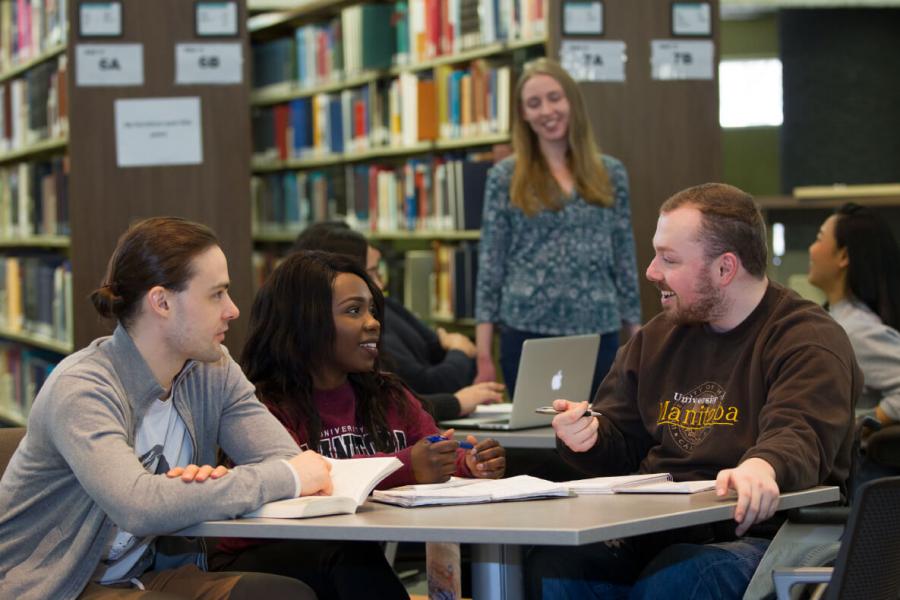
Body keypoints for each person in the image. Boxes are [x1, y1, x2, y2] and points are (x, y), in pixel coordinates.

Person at [525, 183, 860, 599]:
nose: (651, 272)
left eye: (669, 258)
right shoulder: (658, 338)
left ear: (725, 269)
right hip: (657, 527)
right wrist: (588, 437)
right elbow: (620, 438)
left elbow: (800, 431)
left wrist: (763, 465)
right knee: (556, 565)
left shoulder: (806, 338)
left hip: (763, 535)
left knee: (680, 575)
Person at [0, 217, 332, 600]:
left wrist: (199, 489)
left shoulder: (213, 370)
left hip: (144, 577)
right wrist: (252, 481)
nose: (233, 309)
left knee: (287, 595)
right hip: (54, 587)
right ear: (161, 302)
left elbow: (280, 458)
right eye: (217, 294)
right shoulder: (82, 387)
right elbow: (139, 506)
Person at [210, 250, 506, 599]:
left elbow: (429, 451)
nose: (373, 323)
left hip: (346, 552)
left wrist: (465, 463)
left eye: (372, 310)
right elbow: (297, 483)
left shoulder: (387, 394)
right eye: (354, 311)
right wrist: (407, 466)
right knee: (351, 558)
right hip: (261, 554)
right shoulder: (262, 405)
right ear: (306, 322)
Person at [474, 57, 641, 398]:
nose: (546, 111)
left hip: (599, 332)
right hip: (526, 332)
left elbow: (625, 260)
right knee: (537, 443)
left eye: (554, 98)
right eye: (534, 103)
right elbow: (490, 267)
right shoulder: (504, 177)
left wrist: (638, 339)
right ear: (523, 114)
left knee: (601, 437)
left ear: (572, 102)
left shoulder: (611, 173)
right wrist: (482, 357)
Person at [293, 221, 504, 420]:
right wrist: (456, 390)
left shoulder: (387, 308)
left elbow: (433, 353)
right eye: (373, 272)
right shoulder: (358, 347)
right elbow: (417, 390)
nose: (380, 283)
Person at [807, 202, 900, 426]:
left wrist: (859, 426)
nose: (811, 249)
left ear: (843, 256)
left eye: (819, 238)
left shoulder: (856, 330)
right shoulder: (834, 320)